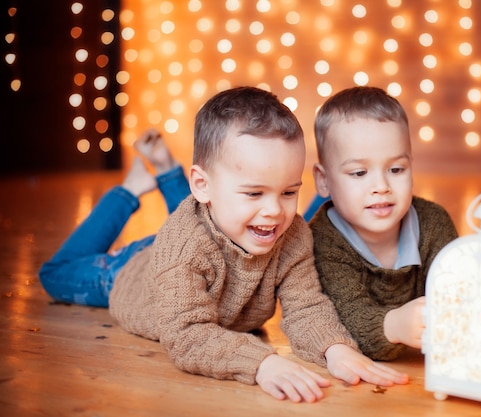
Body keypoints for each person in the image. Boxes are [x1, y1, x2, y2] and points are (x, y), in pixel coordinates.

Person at [39, 86, 408, 403]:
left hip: (209, 232)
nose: (274, 211)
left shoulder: (291, 234)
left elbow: (306, 306)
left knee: (212, 221)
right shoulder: (184, 246)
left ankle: (168, 171)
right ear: (201, 185)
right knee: (54, 275)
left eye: (289, 192)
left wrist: (335, 348)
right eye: (254, 192)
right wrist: (261, 361)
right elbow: (186, 335)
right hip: (132, 272)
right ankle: (129, 190)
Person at [307, 86, 459, 361]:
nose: (381, 186)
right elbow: (344, 323)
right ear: (324, 180)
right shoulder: (321, 243)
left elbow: (458, 297)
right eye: (359, 172)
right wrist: (394, 326)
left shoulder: (434, 224)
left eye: (396, 169)